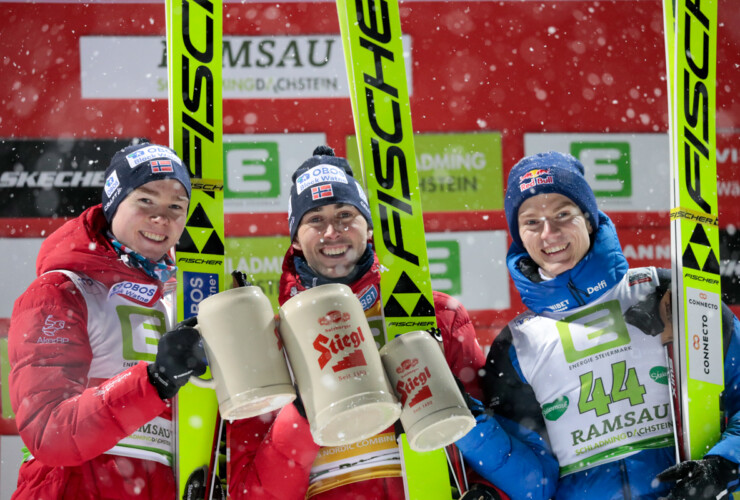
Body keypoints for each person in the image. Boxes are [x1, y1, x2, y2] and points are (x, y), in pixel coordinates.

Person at [454, 151, 740, 500]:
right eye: (531, 222)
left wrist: (721, 466)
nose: (549, 232)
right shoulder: (517, 344)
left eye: (563, 214)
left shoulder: (667, 292)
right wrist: (469, 428)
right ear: (519, 235)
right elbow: (535, 484)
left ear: (588, 219)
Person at [226, 145, 500, 499]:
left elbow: (491, 433)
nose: (332, 232)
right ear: (295, 240)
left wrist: (488, 492)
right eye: (315, 220)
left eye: (345, 215)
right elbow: (250, 492)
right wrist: (303, 415)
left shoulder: (434, 314)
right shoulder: (270, 344)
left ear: (368, 228)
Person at [8, 142, 208, 499]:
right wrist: (154, 381)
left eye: (176, 207)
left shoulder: (177, 303)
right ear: (114, 203)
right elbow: (47, 431)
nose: (161, 218)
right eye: (145, 201)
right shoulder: (60, 292)